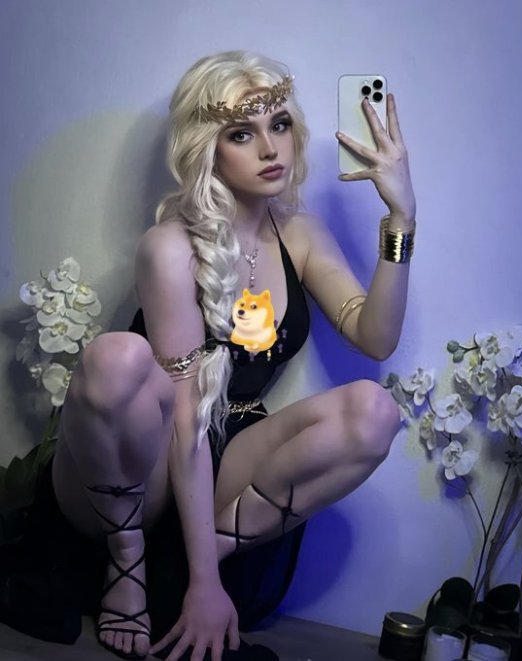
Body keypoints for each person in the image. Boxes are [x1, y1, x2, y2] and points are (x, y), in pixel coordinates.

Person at [10, 50, 416, 661]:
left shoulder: (299, 234)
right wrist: (200, 584)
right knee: (116, 357)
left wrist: (401, 216)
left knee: (375, 410)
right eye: (241, 134)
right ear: (207, 148)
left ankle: (196, 558)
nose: (270, 149)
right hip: (141, 465)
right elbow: (186, 417)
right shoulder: (169, 247)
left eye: (279, 124)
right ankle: (129, 562)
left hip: (231, 461)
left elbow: (376, 338)